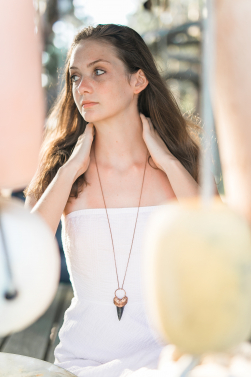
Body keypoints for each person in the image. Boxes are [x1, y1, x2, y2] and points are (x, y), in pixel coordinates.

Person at [24, 24, 218, 377]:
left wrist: (170, 164)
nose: (82, 87)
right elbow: (23, 258)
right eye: (75, 77)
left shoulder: (184, 162)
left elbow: (219, 239)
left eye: (99, 71)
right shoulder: (58, 166)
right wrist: (69, 172)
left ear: (138, 81)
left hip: (173, 363)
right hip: (80, 365)